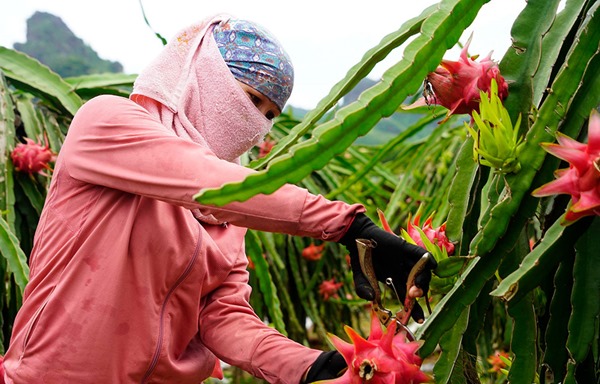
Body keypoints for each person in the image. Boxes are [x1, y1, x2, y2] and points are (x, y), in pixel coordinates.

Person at [2, 14, 436, 384]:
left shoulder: (230, 217)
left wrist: (311, 367)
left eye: (270, 116)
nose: (257, 126)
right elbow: (203, 178)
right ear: (205, 74)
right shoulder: (106, 124)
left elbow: (222, 318)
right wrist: (350, 226)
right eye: (250, 100)